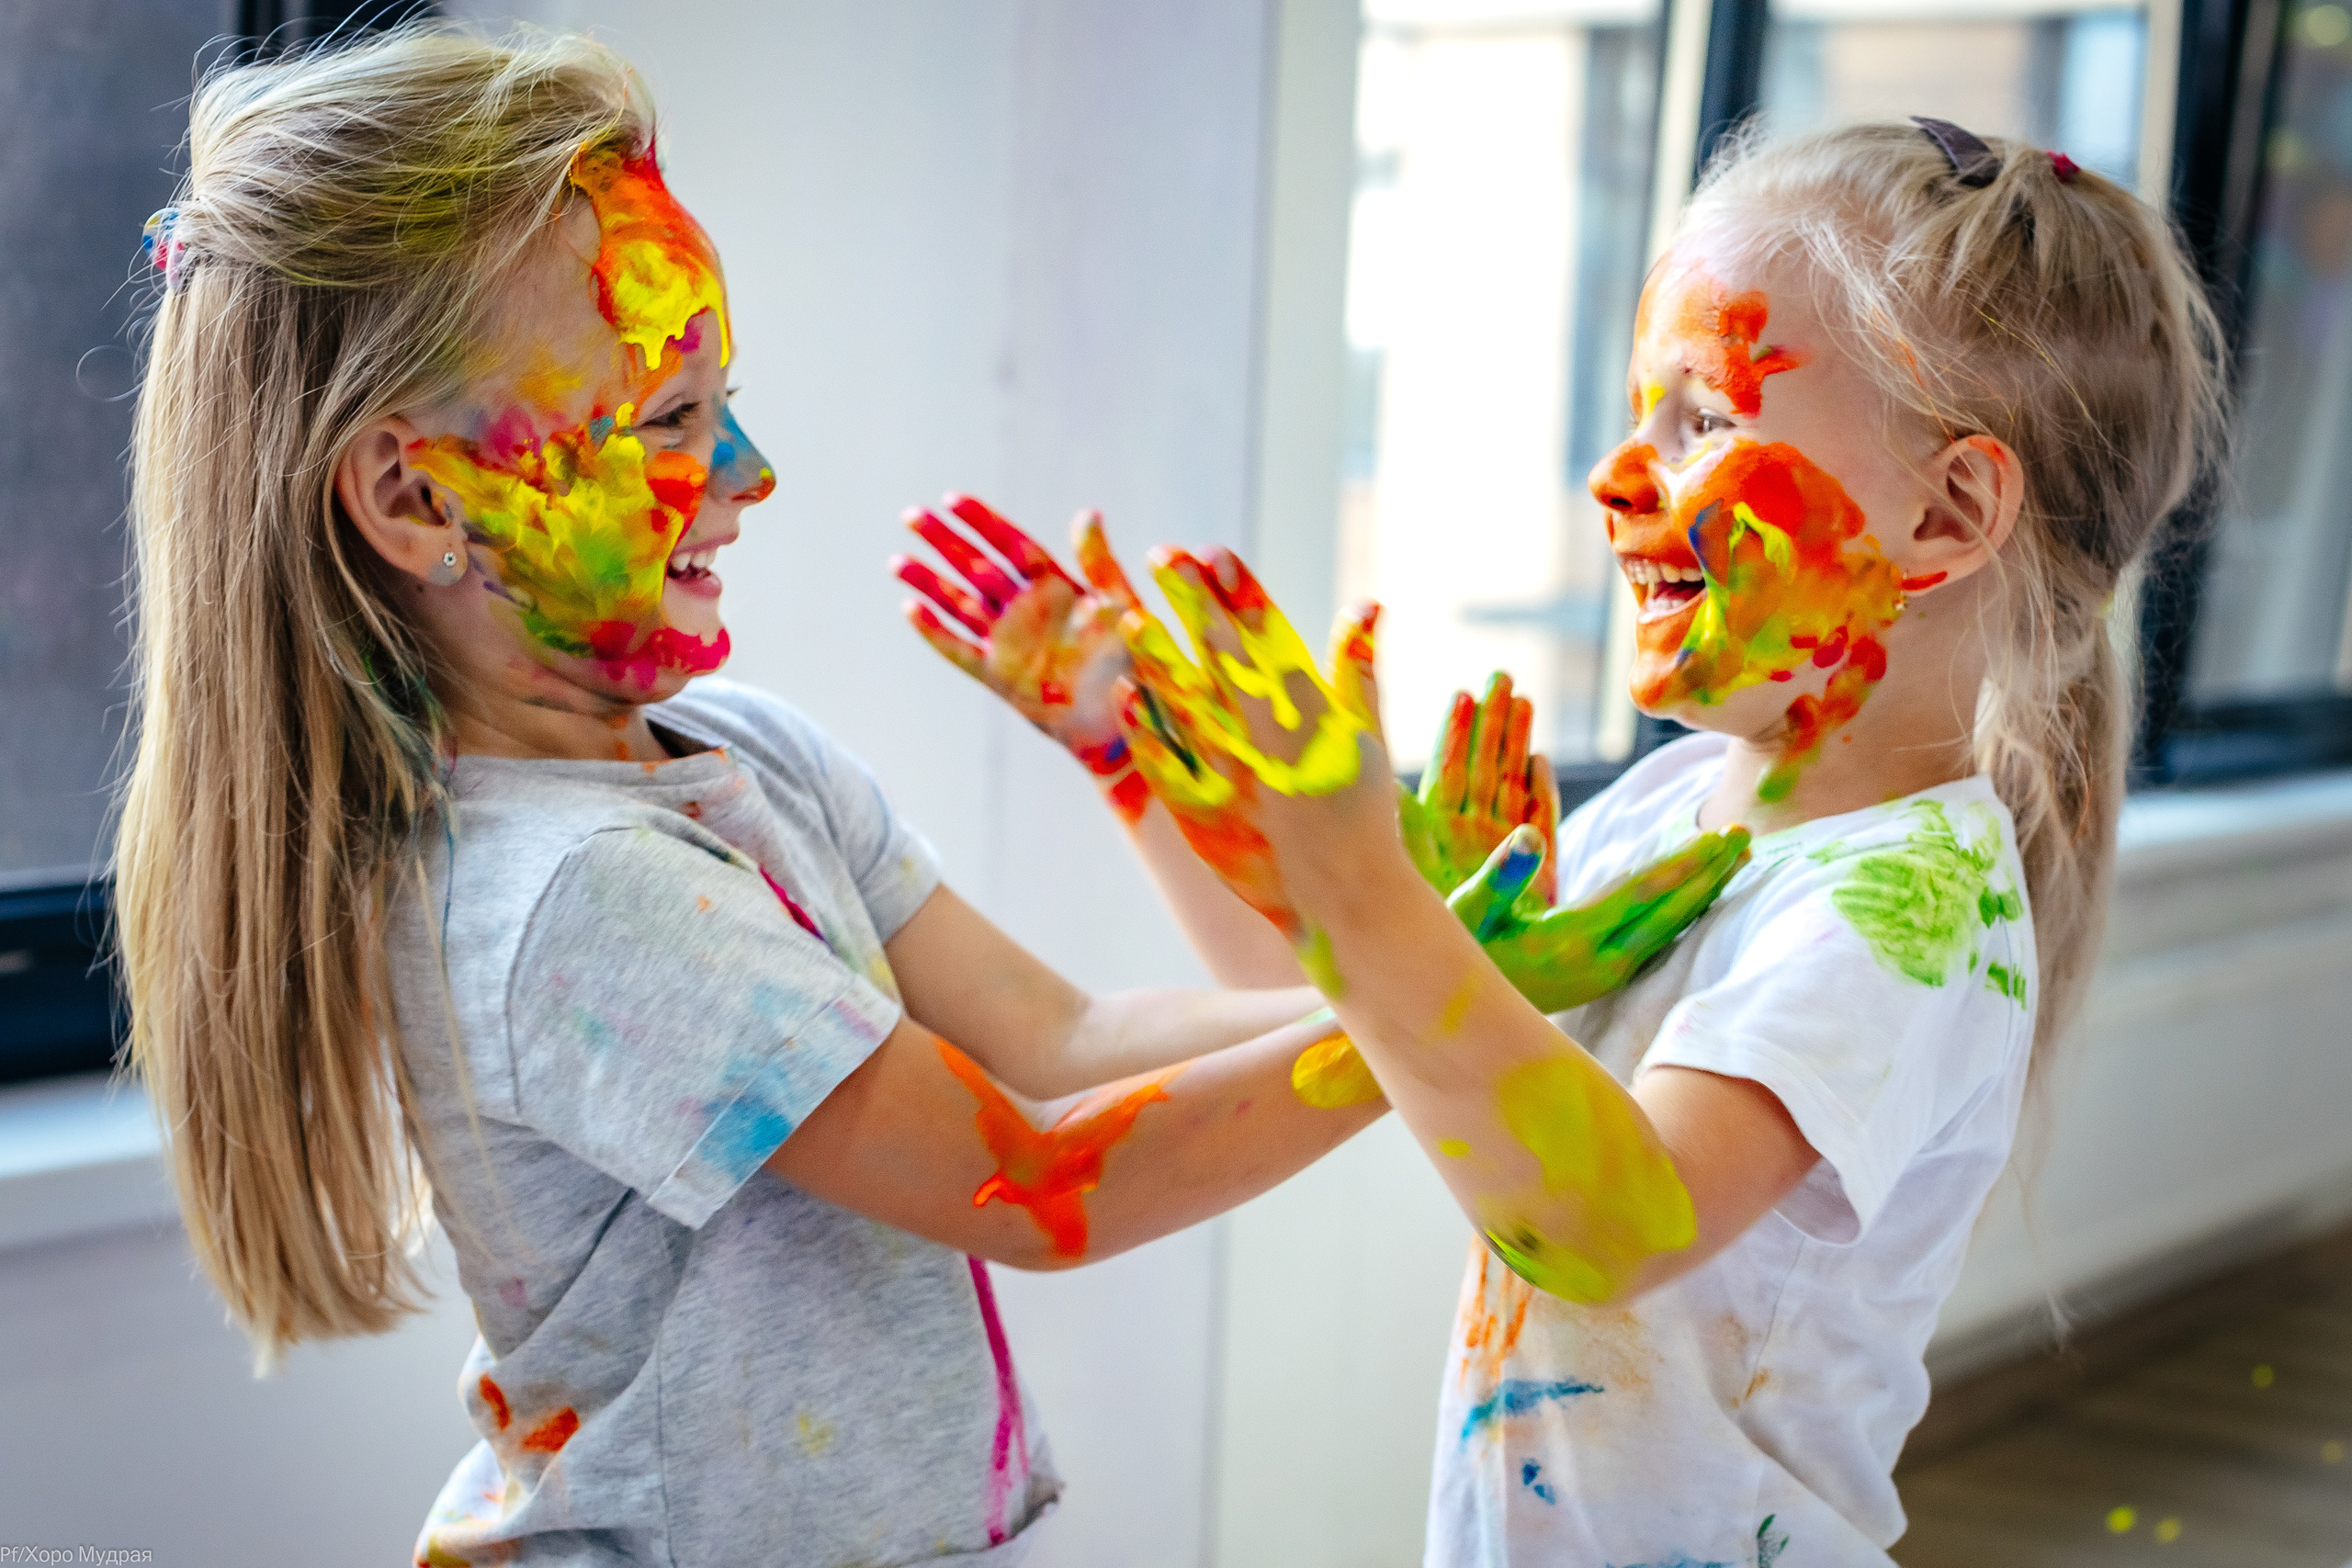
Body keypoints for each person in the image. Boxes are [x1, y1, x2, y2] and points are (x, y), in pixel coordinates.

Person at [111, 27, 1727, 1568]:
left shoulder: (737, 752)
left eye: (724, 396)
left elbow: (1065, 1044)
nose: (747, 467)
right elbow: (1030, 1177)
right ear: (416, 497)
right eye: (669, 418)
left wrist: (1420, 953)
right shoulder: (573, 897)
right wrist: (1425, 1000)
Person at [898, 118, 2226, 1564]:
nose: (1615, 475)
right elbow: (1353, 1014)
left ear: (1947, 511)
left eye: (1704, 419)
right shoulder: (1680, 808)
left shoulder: (1910, 909)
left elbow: (1614, 1216)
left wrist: (1369, 880)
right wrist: (1137, 755)